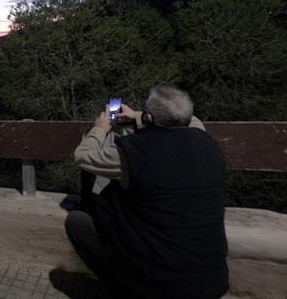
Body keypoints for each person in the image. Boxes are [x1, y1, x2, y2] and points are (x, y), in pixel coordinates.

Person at [66, 85, 228, 299]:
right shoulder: (205, 140)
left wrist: (101, 128)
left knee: (77, 222)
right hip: (212, 281)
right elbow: (192, 119)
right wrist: (138, 116)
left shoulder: (133, 153)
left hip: (161, 282)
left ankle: (127, 290)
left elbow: (83, 156)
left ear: (151, 117)